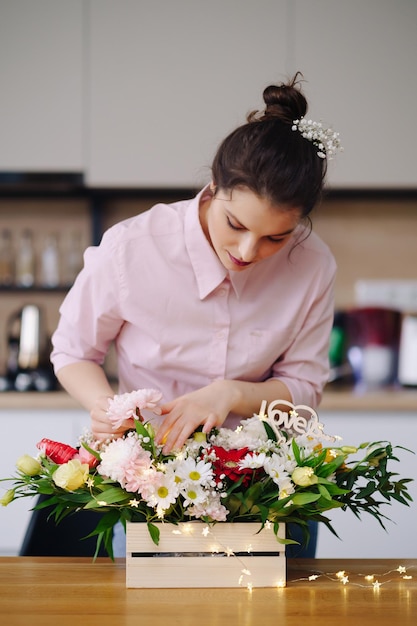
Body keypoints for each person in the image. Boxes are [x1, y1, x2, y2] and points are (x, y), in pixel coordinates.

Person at [50, 73, 341, 557]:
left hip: (266, 485)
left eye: (276, 238)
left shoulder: (313, 265)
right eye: (236, 224)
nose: (249, 251)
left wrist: (230, 394)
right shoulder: (132, 248)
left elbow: (304, 389)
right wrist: (105, 407)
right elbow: (73, 352)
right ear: (213, 186)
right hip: (149, 483)